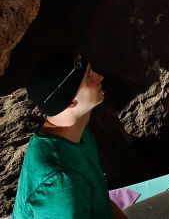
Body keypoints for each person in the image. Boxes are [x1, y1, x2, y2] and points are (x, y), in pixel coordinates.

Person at [12, 52, 127, 219]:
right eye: (89, 77)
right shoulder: (59, 181)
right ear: (68, 101)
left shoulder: (77, 134)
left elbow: (100, 201)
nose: (100, 77)